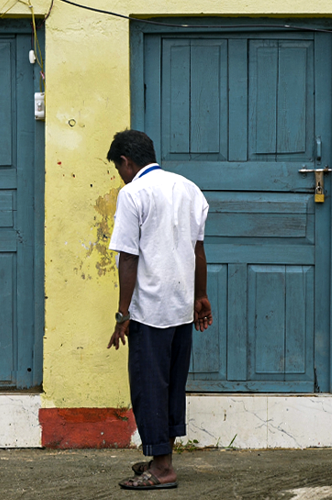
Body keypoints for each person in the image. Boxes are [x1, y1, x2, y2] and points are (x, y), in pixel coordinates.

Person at [106, 130, 213, 490]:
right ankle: (160, 456)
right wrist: (201, 296)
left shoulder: (133, 193)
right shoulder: (189, 188)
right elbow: (198, 250)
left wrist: (123, 314)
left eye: (118, 168)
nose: (120, 175)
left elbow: (128, 257)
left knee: (149, 386)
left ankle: (163, 469)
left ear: (125, 161)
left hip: (151, 311)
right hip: (182, 307)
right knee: (171, 385)